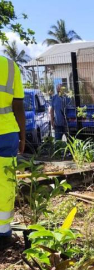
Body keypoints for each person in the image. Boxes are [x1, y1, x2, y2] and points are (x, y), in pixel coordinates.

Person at [0, 55, 25, 250]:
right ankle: (3, 232)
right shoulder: (9, 65)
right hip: (7, 133)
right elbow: (18, 105)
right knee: (6, 183)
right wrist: (23, 136)